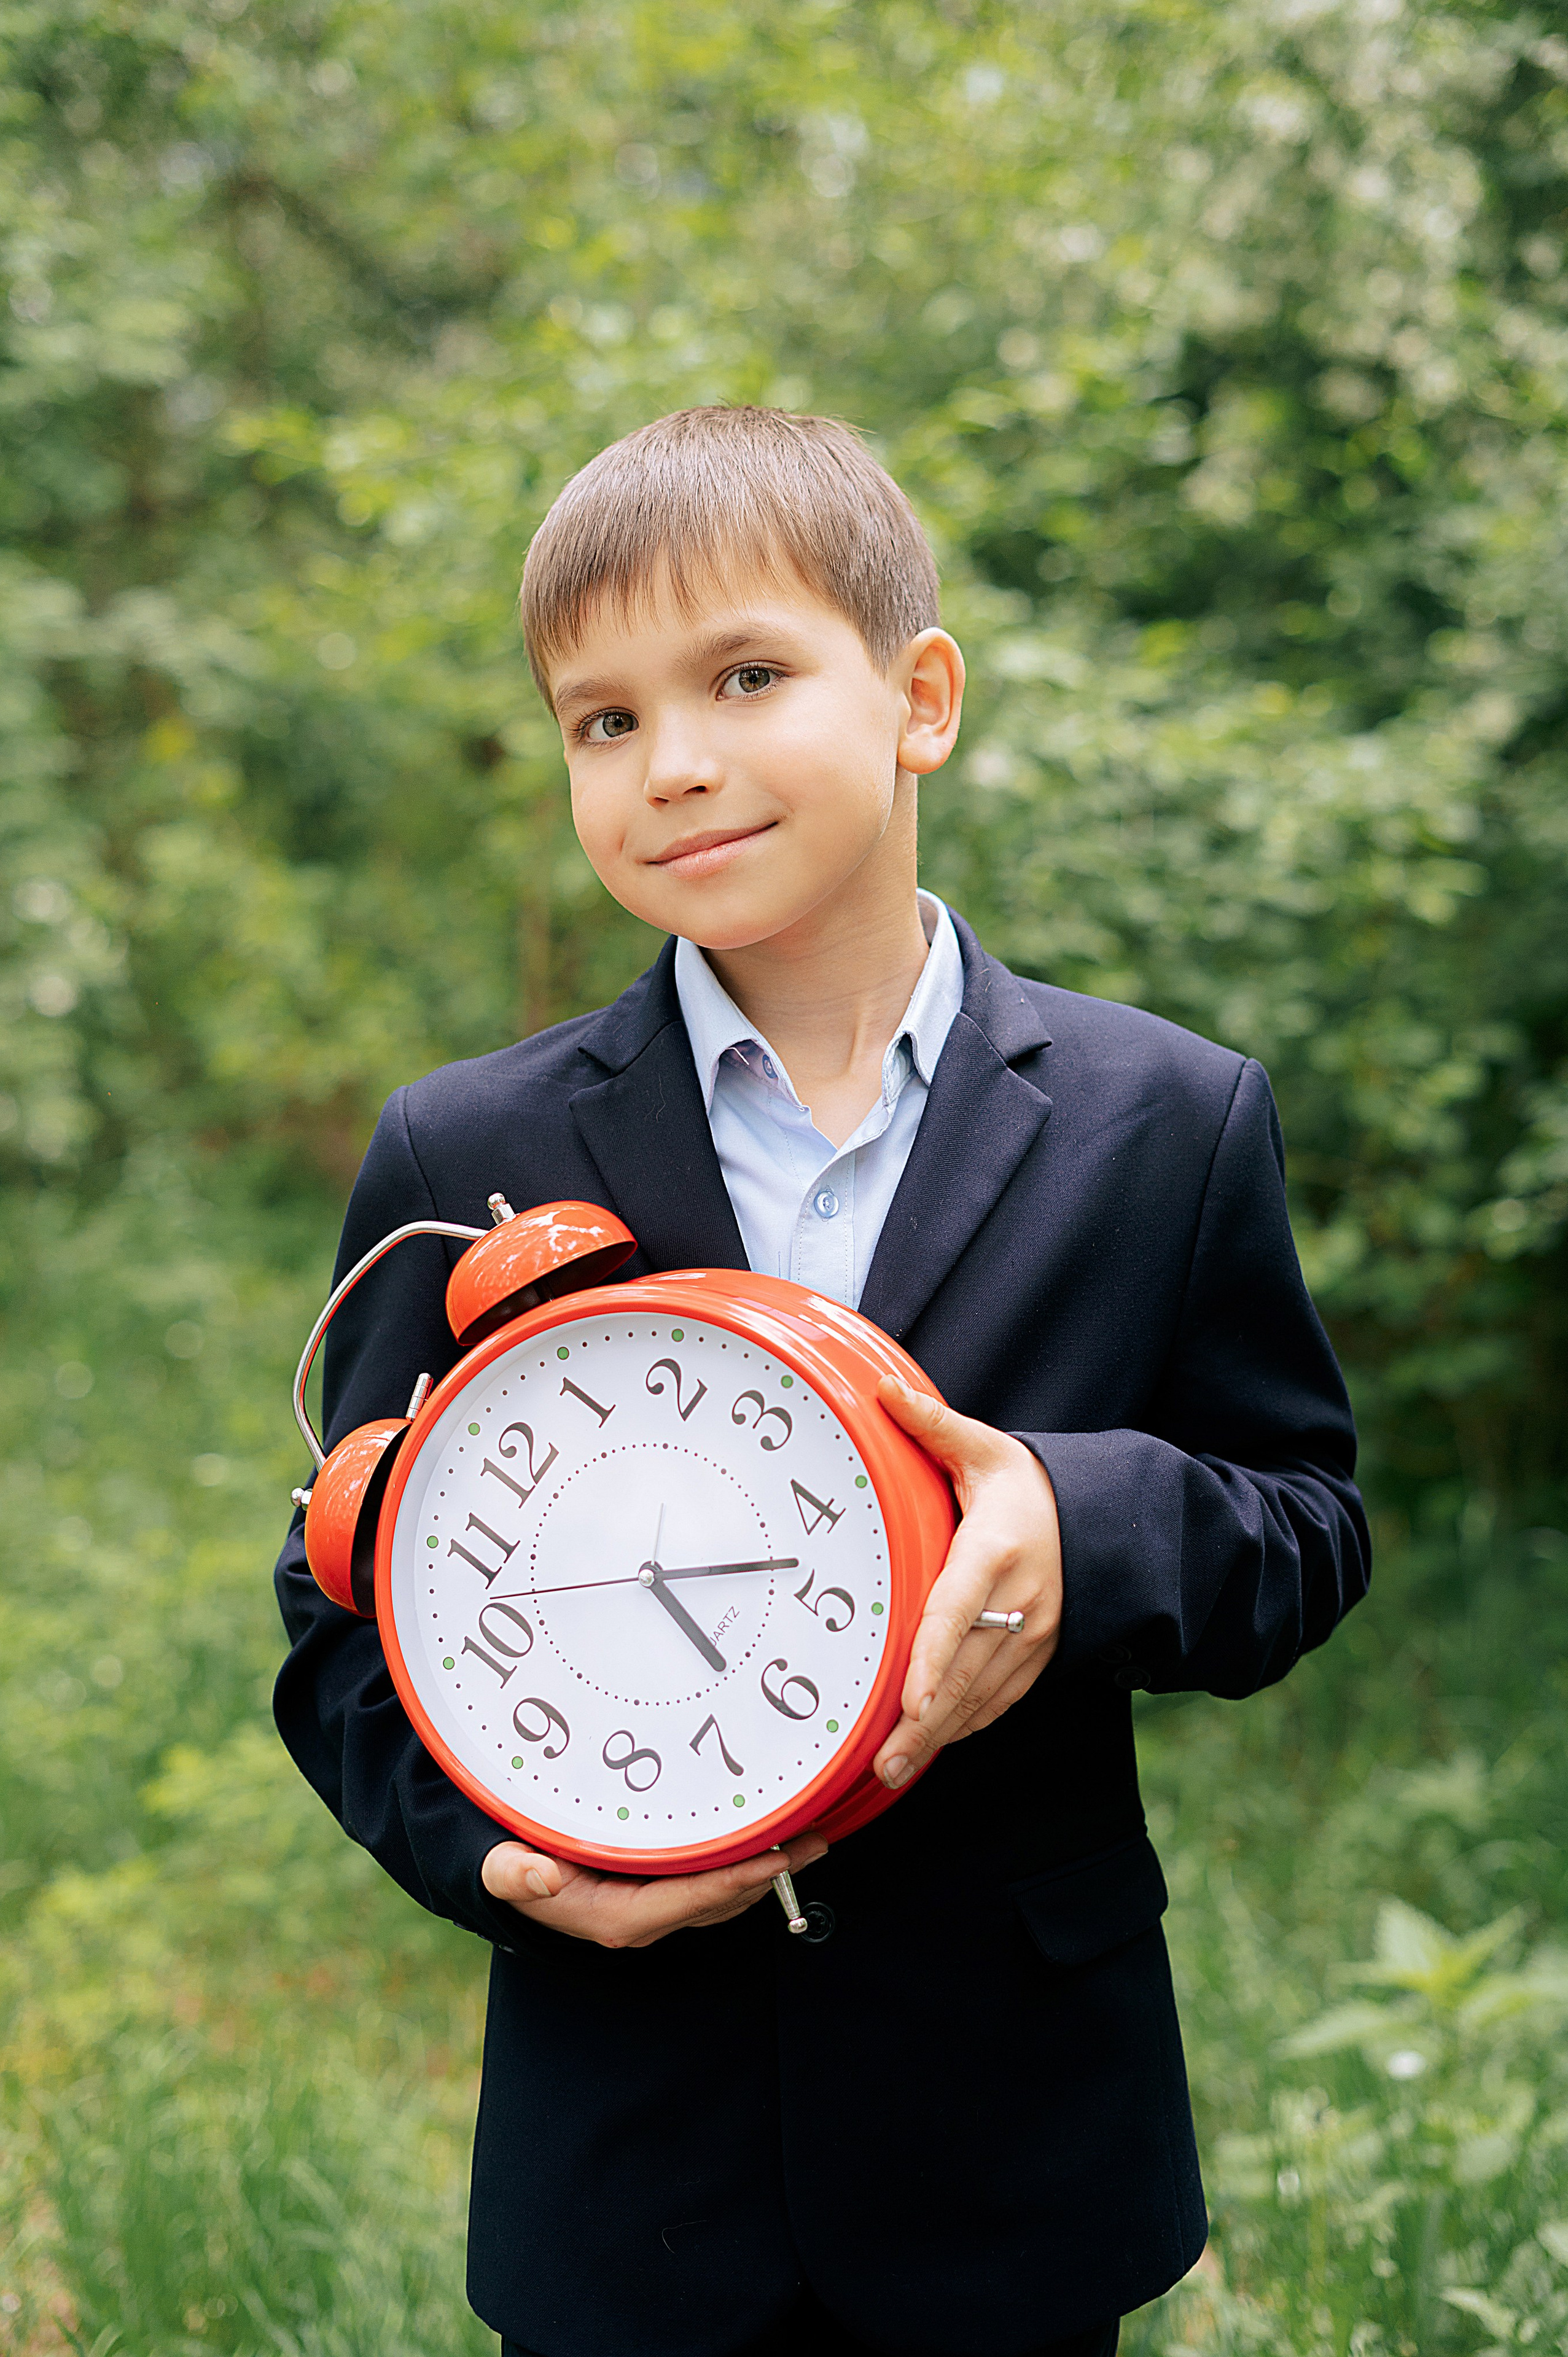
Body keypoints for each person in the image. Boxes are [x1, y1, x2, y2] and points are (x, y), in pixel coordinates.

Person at [272, 405, 1369, 2357]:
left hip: (1012, 2138)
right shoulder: (468, 1154)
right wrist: (507, 1868)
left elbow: (1303, 1527)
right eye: (600, 721)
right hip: (632, 2158)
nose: (672, 762)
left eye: (748, 676)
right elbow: (338, 1615)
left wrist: (1073, 1516)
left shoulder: (1165, 1121)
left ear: (919, 697)